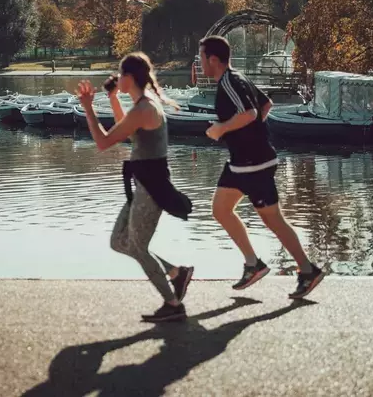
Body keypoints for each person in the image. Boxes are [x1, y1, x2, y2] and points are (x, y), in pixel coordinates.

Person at [199, 35, 324, 299]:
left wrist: (223, 128)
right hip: (241, 163)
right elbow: (266, 104)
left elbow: (251, 113)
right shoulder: (237, 78)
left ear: (212, 59)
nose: (200, 65)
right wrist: (248, 136)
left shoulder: (229, 83)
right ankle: (253, 264)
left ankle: (307, 270)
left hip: (254, 164)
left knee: (273, 220)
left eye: (201, 59)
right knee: (221, 210)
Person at [76, 52, 194, 322]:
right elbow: (126, 131)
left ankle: (173, 304)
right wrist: (113, 98)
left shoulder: (144, 109)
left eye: (121, 74)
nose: (117, 79)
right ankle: (177, 273)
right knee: (119, 242)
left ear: (129, 77)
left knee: (139, 248)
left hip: (151, 189)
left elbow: (105, 142)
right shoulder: (142, 106)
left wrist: (87, 107)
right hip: (142, 186)